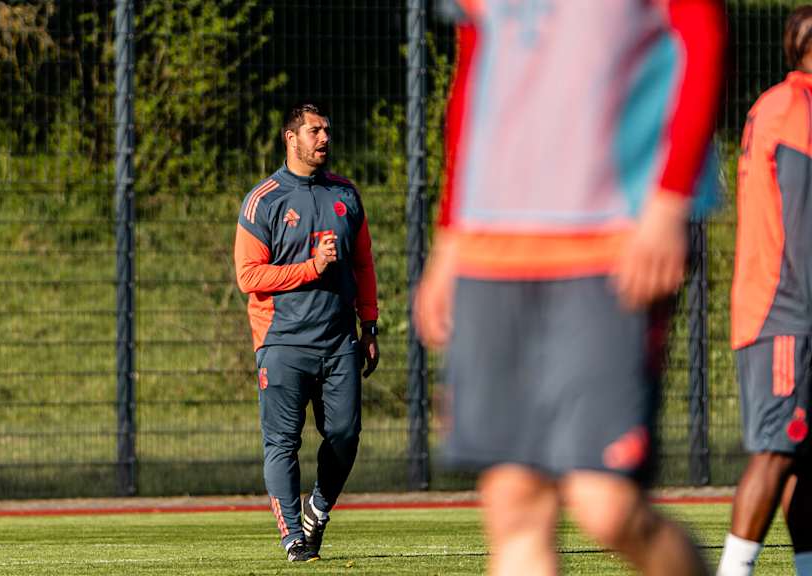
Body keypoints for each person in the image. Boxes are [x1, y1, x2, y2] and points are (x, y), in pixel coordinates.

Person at [416, 1, 725, 574]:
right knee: (513, 505)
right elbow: (475, 70)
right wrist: (451, 238)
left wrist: (668, 199)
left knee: (605, 505)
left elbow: (700, 37)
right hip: (495, 245)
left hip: (612, 240)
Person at [233, 102, 380, 563]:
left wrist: (369, 323)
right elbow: (248, 277)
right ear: (290, 138)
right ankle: (294, 538)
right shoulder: (265, 200)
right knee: (282, 443)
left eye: (327, 131)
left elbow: (363, 264)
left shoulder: (346, 194)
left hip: (339, 342)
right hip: (282, 343)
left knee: (345, 434)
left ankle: (317, 508)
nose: (324, 139)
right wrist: (309, 269)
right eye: (314, 131)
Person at [717, 7, 812, 576]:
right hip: (788, 311)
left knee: (802, 457)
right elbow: (803, 226)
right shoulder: (798, 110)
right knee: (777, 448)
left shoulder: (773, 104)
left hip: (774, 307)